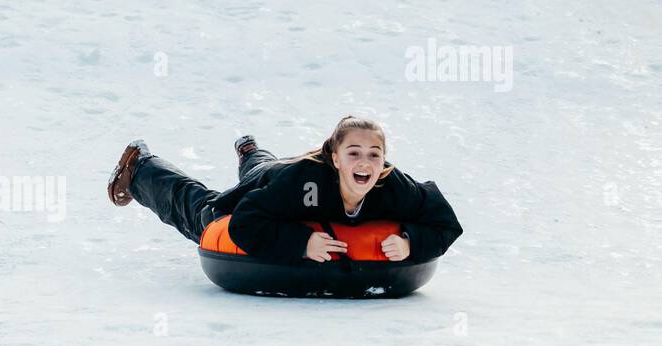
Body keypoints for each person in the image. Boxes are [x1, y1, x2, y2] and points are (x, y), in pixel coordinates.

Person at [106, 116, 462, 263]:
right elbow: (244, 223)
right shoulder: (305, 181)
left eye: (374, 154)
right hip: (273, 185)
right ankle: (140, 168)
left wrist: (411, 241)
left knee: (262, 167)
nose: (365, 163)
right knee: (204, 212)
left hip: (278, 177)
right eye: (354, 153)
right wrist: (301, 244)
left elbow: (446, 222)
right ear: (336, 159)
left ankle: (249, 151)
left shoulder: (390, 184)